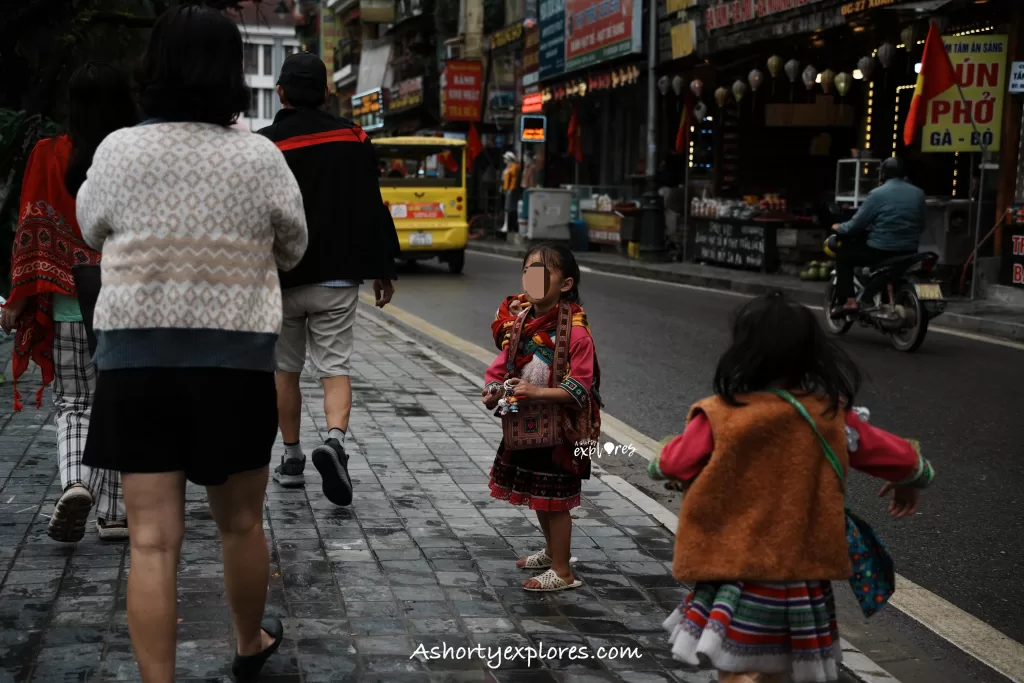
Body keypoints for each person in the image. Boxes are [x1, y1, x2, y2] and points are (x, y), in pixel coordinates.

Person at [75, 7, 307, 681]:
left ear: (154, 68)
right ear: (232, 71)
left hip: (137, 364)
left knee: (150, 539)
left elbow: (91, 228)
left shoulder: (117, 150)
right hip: (232, 365)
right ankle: (247, 643)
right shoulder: (259, 157)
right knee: (240, 524)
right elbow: (294, 245)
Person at [648, 292, 935, 683]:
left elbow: (672, 463)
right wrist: (910, 480)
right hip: (800, 580)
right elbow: (898, 457)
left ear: (743, 351)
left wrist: (662, 457)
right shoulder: (830, 414)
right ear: (810, 354)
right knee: (781, 671)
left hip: (740, 572)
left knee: (738, 667)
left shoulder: (720, 413)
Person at [1, 62, 137, 543]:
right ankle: (116, 512)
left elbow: (32, 230)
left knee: (75, 403)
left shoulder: (47, 153)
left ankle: (77, 482)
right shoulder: (136, 152)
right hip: (129, 302)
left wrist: (18, 299)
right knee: (120, 404)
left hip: (66, 302)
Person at [258, 53, 399, 506]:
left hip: (282, 278)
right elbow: (370, 205)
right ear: (325, 93)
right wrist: (383, 268)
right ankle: (335, 443)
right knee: (334, 367)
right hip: (337, 278)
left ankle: (293, 457)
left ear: (281, 92)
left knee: (286, 370)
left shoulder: (266, 145)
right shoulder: (353, 137)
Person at [484, 244, 602, 592]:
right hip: (527, 426)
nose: (532, 279)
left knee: (557, 500)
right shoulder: (519, 324)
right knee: (539, 494)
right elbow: (501, 367)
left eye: (542, 272)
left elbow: (580, 388)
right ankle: (552, 553)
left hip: (561, 434)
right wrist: (492, 389)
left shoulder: (576, 334)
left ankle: (563, 571)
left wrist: (536, 393)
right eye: (528, 271)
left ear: (565, 284)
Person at [831, 156, 926, 312]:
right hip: (909, 250)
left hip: (881, 250)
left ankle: (849, 301)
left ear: (884, 174)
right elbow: (922, 225)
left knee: (843, 256)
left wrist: (838, 227)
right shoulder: (919, 193)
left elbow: (855, 225)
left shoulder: (877, 194)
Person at [500, 151, 521, 234]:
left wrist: (510, 190)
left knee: (510, 208)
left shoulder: (513, 168)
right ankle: (506, 225)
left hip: (510, 191)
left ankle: (509, 226)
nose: (504, 160)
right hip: (507, 189)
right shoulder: (508, 167)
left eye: (505, 158)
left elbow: (513, 181)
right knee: (507, 208)